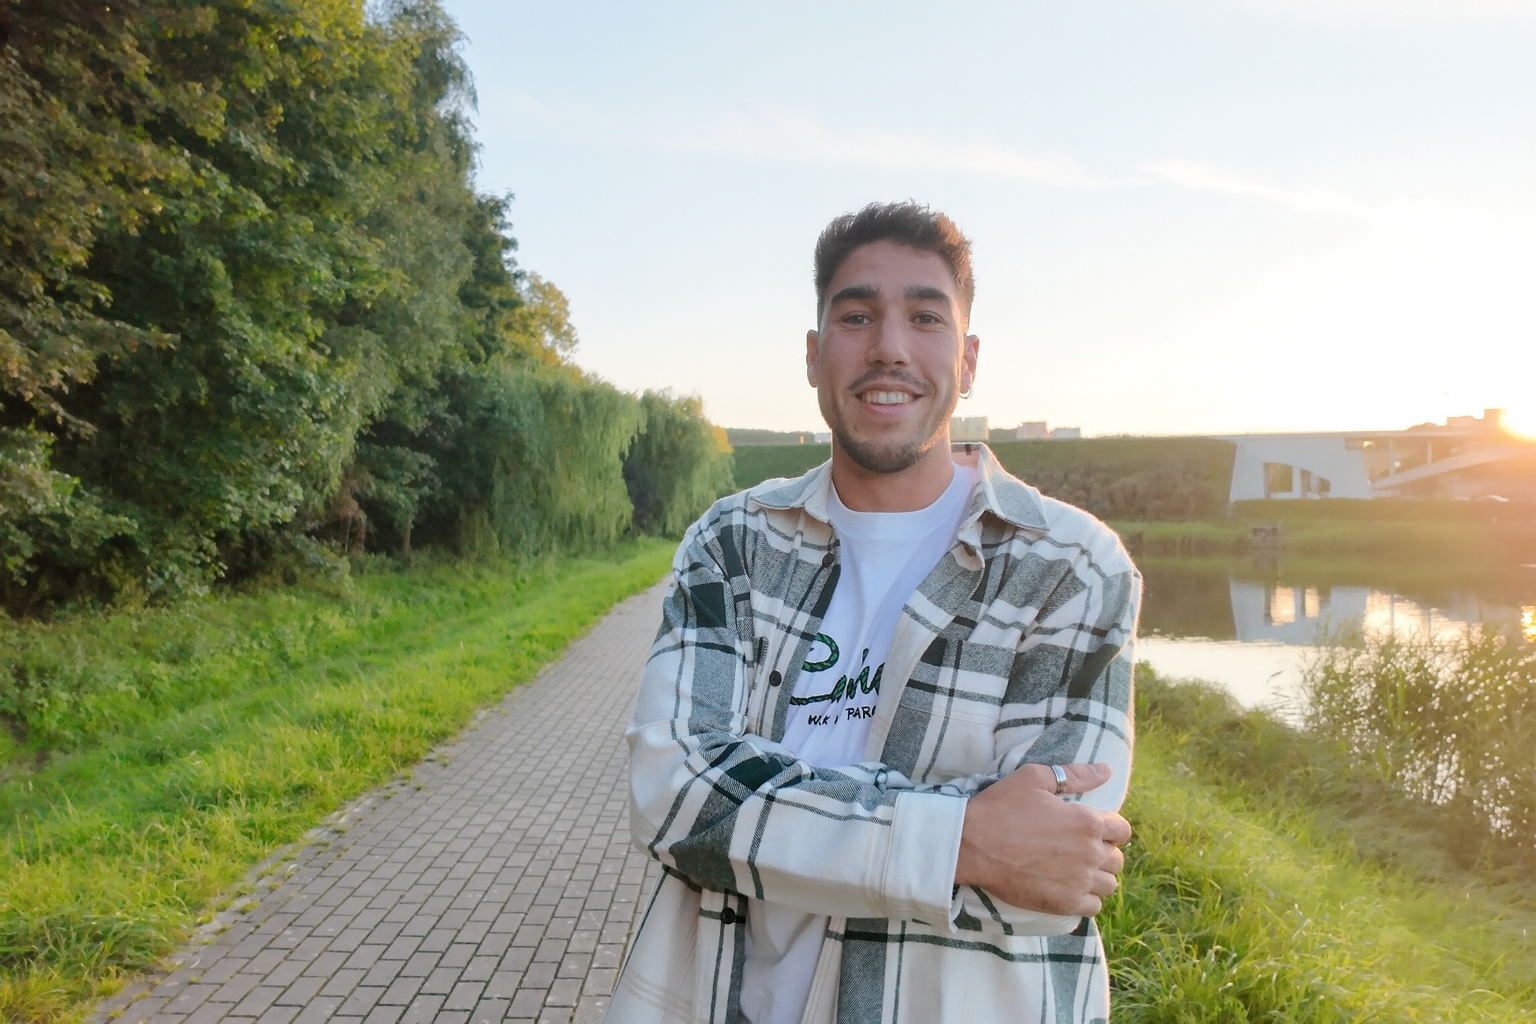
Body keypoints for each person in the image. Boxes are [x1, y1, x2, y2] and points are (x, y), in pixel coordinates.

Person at [607, 201, 1140, 1024]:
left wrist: (759, 806)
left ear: (967, 360)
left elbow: (1046, 879)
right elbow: (674, 797)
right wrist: (963, 838)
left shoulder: (1071, 564)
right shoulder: (736, 541)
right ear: (814, 355)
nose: (889, 346)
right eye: (856, 316)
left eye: (925, 317)